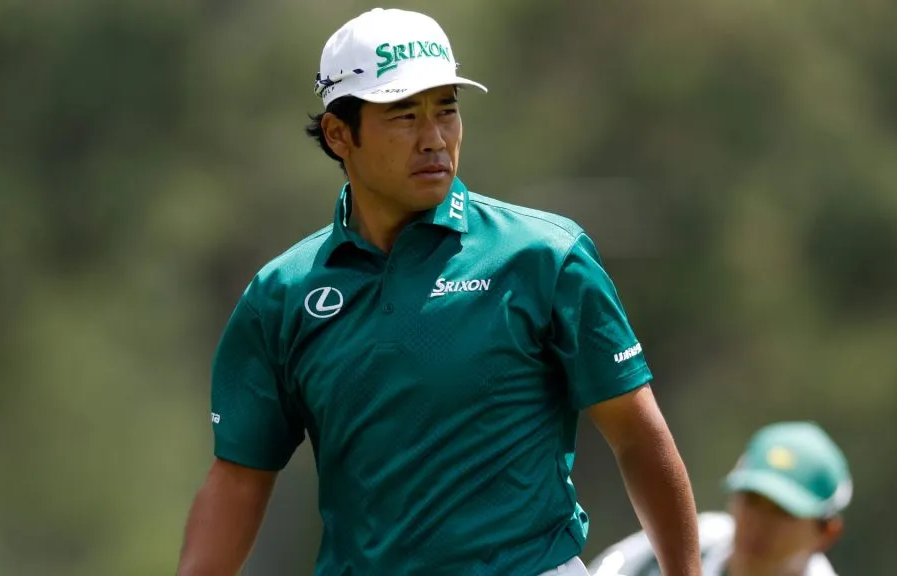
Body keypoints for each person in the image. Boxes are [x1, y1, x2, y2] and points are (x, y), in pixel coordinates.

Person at [176, 7, 701, 576]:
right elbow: (239, 477)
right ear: (337, 134)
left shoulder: (545, 257)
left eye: (446, 110)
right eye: (404, 116)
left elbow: (637, 436)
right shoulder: (281, 295)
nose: (434, 139)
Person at [586, 421, 853, 576]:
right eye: (751, 499)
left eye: (783, 512)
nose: (758, 524)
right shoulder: (689, 540)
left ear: (827, 533)